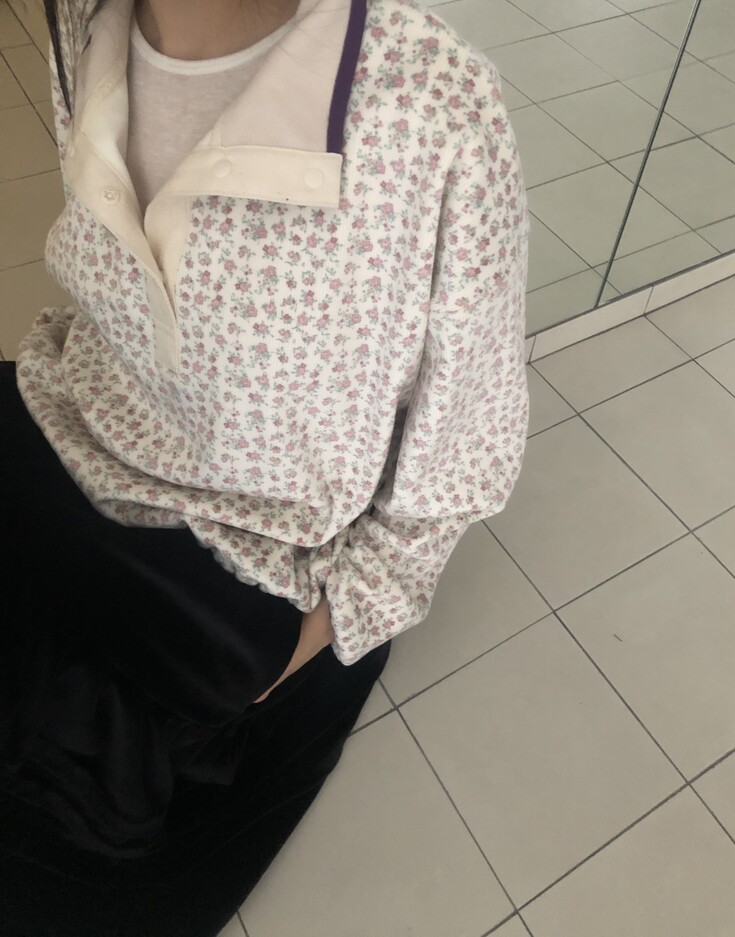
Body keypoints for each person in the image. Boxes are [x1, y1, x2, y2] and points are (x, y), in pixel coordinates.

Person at [0, 0, 531, 933]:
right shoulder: (82, 19)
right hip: (58, 436)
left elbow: (460, 451)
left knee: (71, 843)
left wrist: (304, 642)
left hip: (231, 578)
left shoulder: (433, 105)